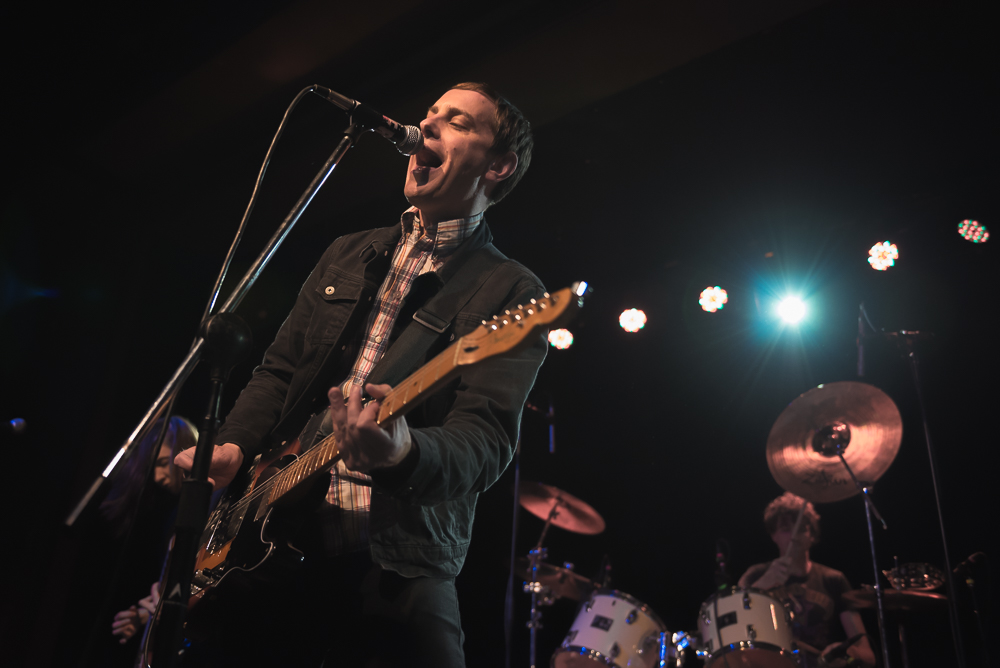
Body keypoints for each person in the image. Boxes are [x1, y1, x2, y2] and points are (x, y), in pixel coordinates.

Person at [174, 82, 545, 667]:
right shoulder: (348, 252)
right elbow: (279, 371)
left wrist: (402, 453)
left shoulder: (511, 290)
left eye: (457, 122)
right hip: (275, 530)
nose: (428, 126)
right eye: (428, 114)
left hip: (399, 555)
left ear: (499, 166)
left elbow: (485, 441)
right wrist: (232, 444)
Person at [738, 492, 876, 667]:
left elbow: (867, 655)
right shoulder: (755, 575)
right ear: (774, 535)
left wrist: (846, 652)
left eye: (801, 527)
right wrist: (761, 587)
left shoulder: (834, 580)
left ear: (812, 535)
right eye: (786, 529)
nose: (794, 536)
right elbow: (733, 629)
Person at [102, 416, 197, 644]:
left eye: (163, 463)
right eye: (153, 466)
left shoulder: (209, 502)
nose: (156, 477)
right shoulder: (169, 517)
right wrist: (145, 614)